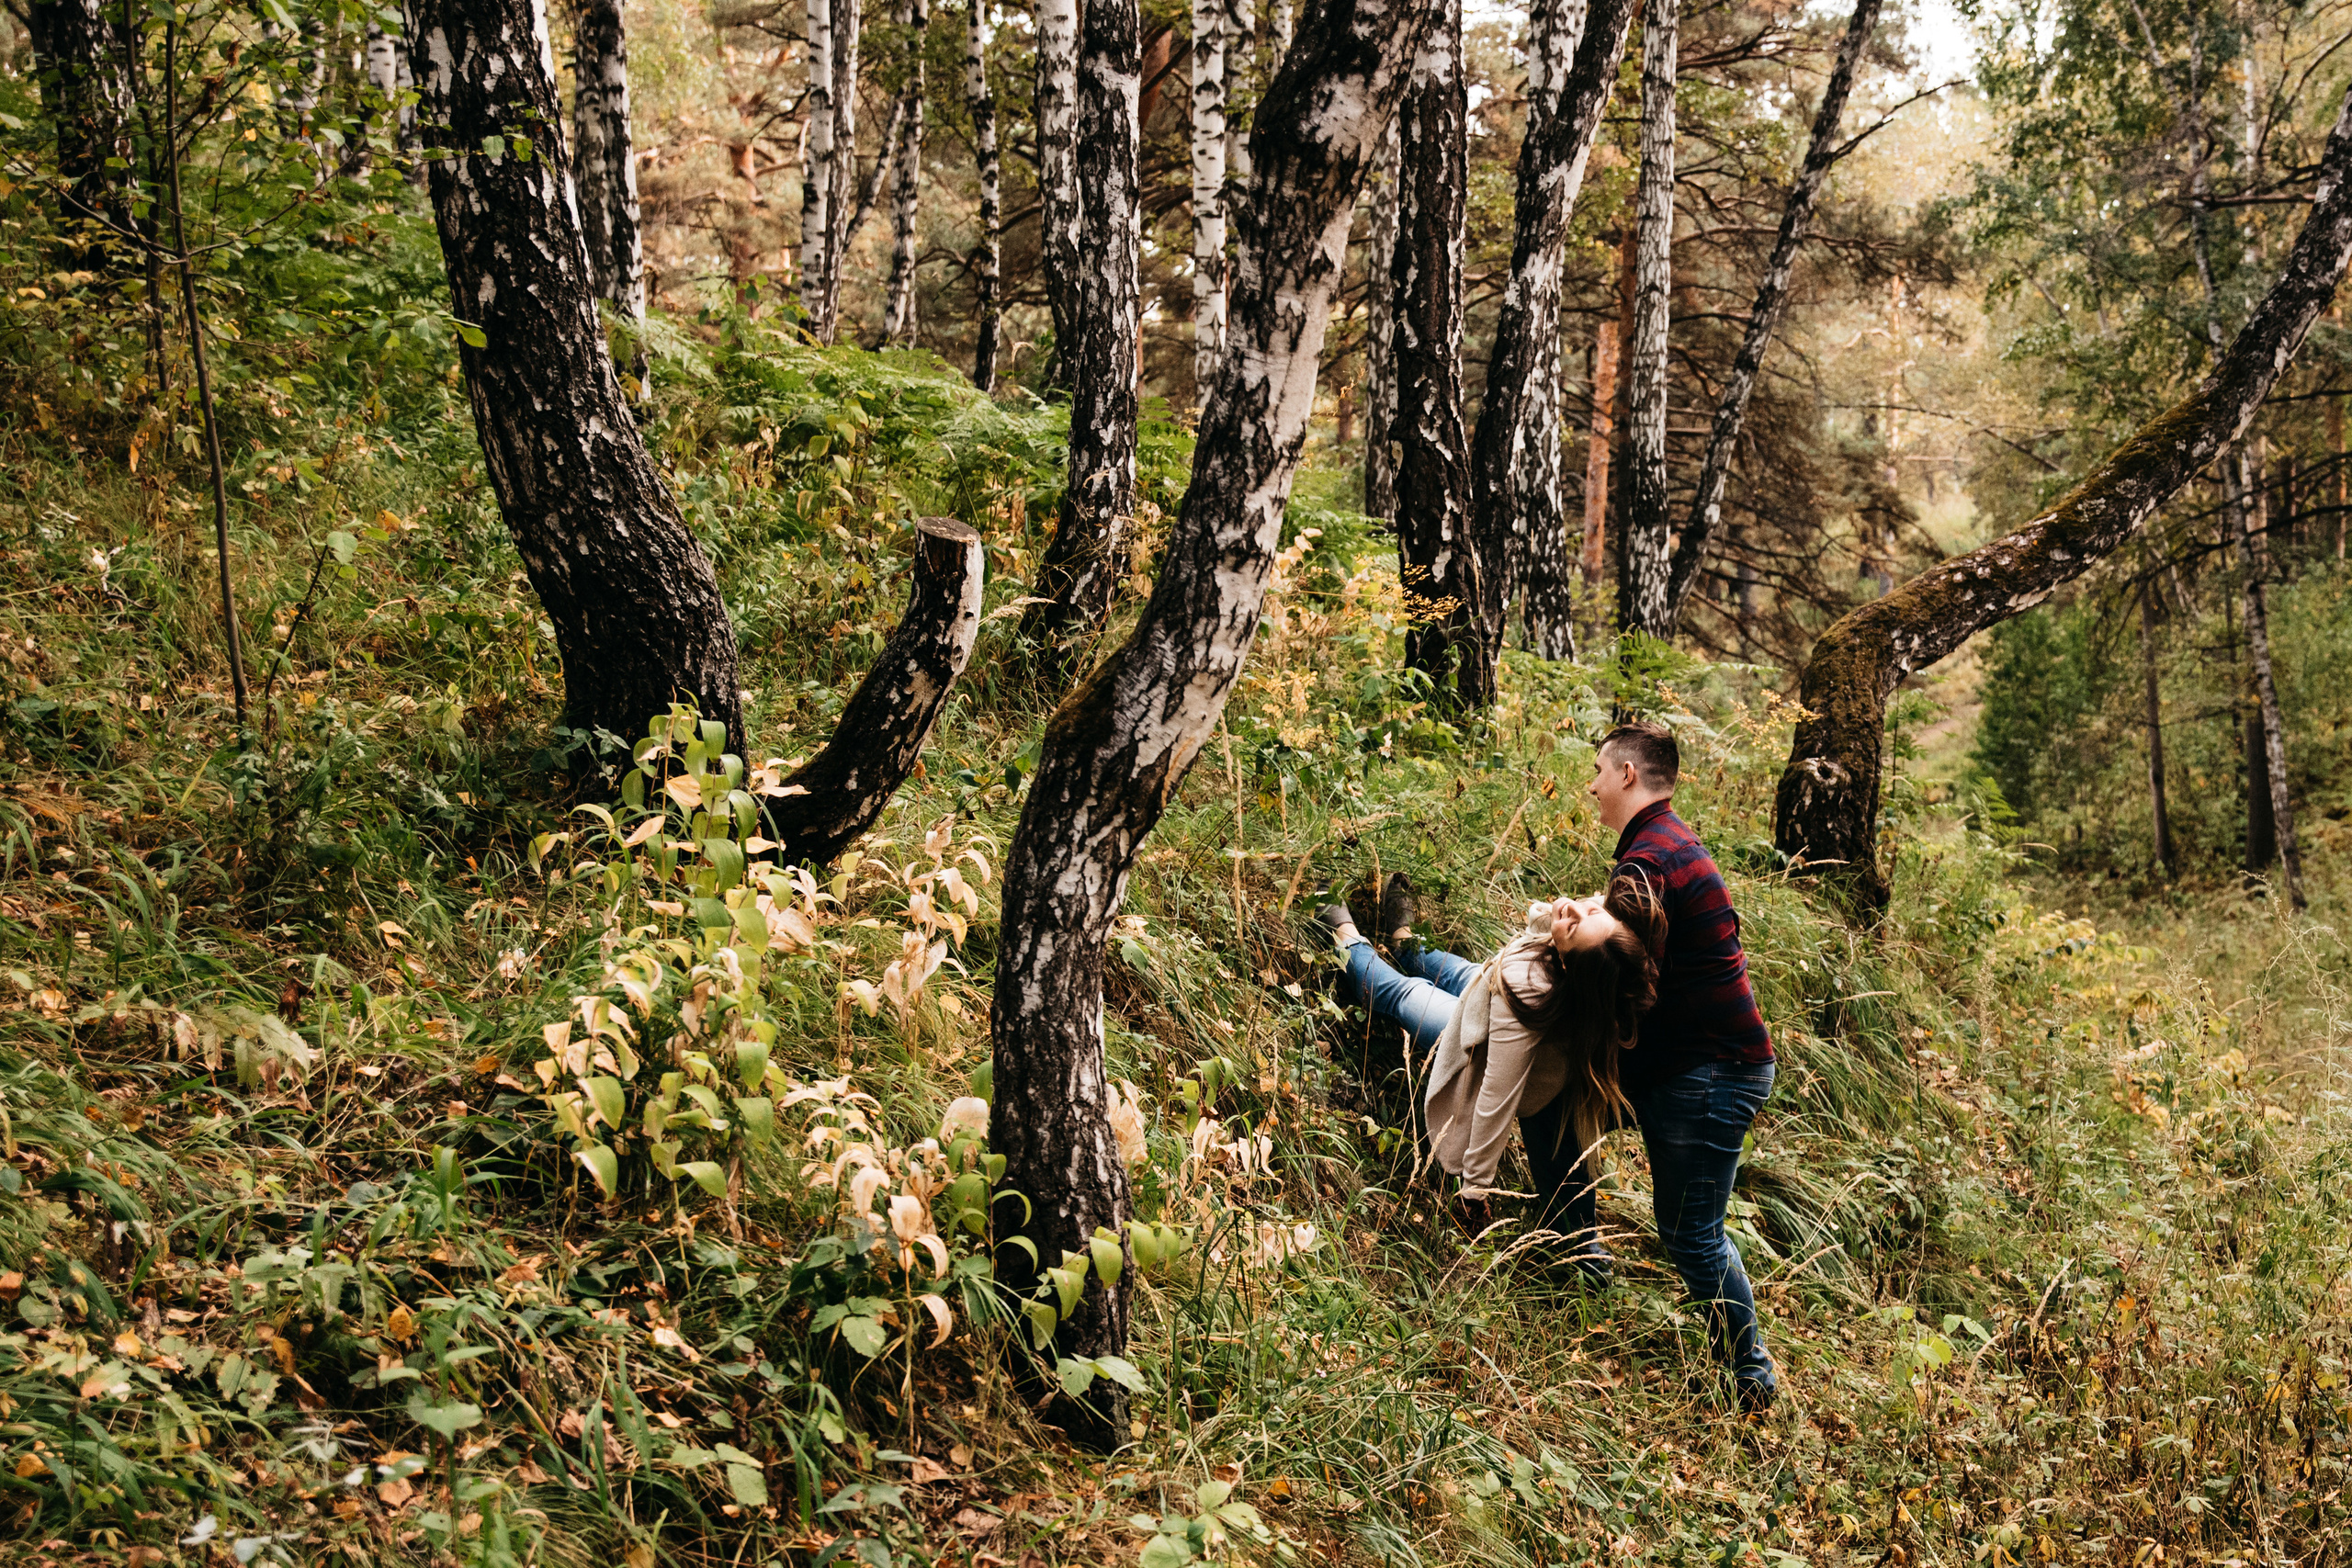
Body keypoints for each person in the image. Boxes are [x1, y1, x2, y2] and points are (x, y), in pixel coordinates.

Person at [1317, 872, 1668, 1269]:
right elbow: (1572, 919)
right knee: (1439, 965)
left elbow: (1496, 1100)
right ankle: (1404, 941)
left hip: (1480, 1032)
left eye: (1573, 926)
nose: (1573, 908)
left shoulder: (1525, 1004)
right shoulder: (1605, 955)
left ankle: (1345, 935)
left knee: (1397, 993)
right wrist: (1575, 918)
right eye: (1588, 910)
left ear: (1568, 965)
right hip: (1495, 979)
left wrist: (1474, 1190)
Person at [1579, 718, 1780, 1412]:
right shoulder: (1664, 842)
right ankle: (1580, 1255)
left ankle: (1751, 1379)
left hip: (1710, 1072)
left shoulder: (1649, 861)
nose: (1594, 785)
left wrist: (1579, 943)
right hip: (1701, 1064)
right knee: (1561, 1107)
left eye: (1600, 771)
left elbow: (1637, 978)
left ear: (1629, 775)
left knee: (1692, 1235)